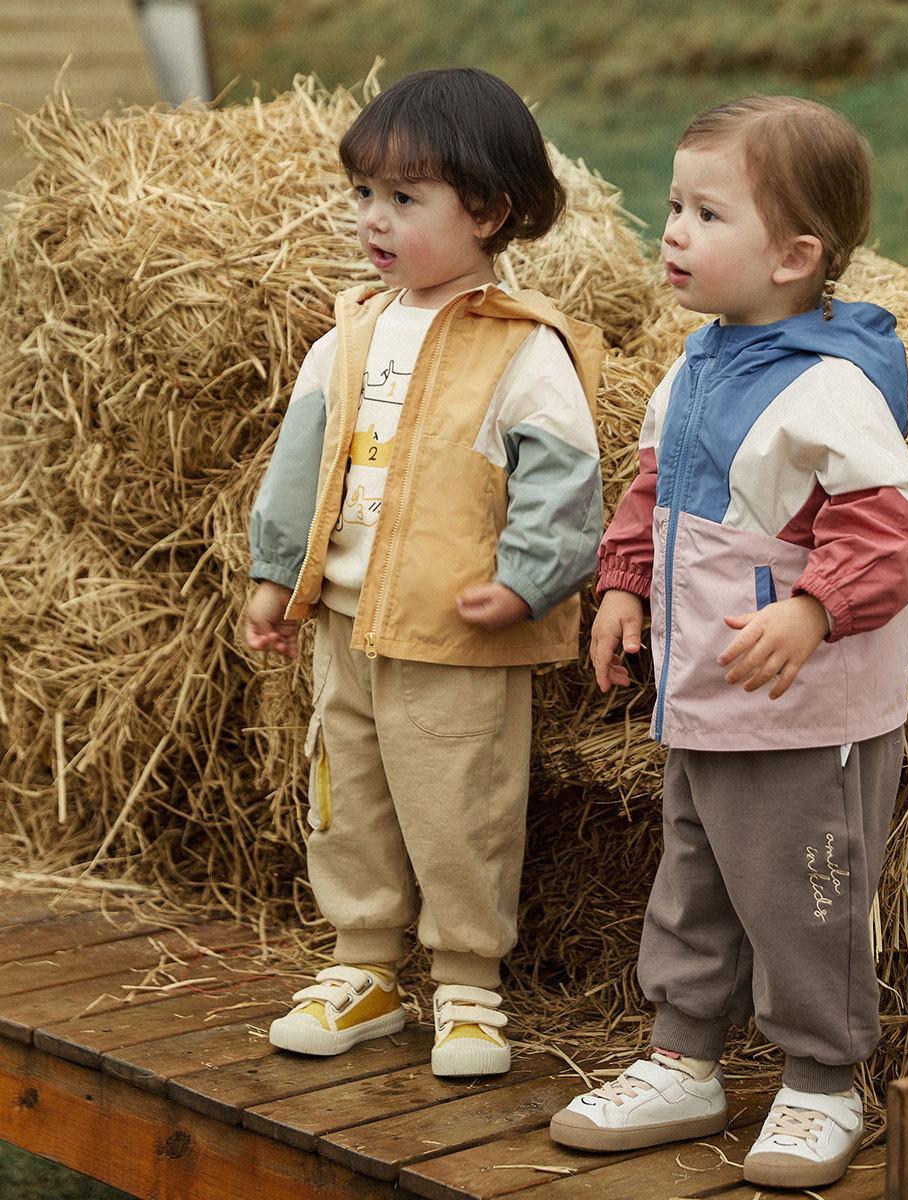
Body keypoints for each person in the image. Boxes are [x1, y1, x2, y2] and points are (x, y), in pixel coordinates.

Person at [549, 95, 908, 1189]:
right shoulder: (698, 363)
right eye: (674, 206)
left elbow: (897, 529)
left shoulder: (832, 387)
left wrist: (813, 606)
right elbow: (652, 490)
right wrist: (622, 588)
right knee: (696, 880)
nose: (671, 230)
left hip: (806, 714)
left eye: (705, 214)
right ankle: (684, 1058)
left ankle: (824, 1081)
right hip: (707, 698)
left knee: (804, 891)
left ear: (794, 255)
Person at [243, 67, 604, 1077]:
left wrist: (531, 581)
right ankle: (363, 967)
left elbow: (565, 484)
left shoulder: (524, 352)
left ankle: (468, 987)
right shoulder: (349, 333)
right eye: (365, 194)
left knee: (460, 806)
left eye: (405, 199)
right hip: (345, 624)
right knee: (345, 796)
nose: (374, 218)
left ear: (486, 211)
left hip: (456, 630)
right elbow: (300, 464)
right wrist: (276, 576)